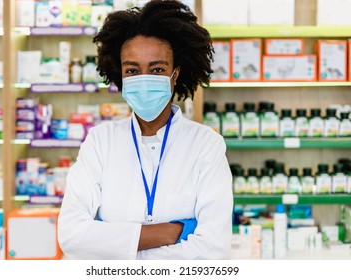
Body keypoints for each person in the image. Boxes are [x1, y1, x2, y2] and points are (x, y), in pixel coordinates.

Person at [58, 0, 233, 260]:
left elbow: (213, 249)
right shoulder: (100, 142)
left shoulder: (206, 144)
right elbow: (71, 236)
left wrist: (114, 245)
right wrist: (171, 232)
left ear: (175, 74)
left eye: (157, 69)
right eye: (132, 70)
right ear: (121, 75)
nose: (144, 79)